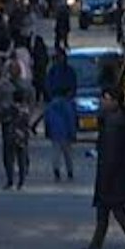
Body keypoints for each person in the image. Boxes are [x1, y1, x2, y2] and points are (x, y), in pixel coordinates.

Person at [80, 94, 125, 249]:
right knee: (105, 214)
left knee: (117, 213)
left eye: (106, 98)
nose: (102, 102)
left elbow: (111, 154)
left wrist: (107, 177)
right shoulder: (117, 121)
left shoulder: (114, 124)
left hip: (113, 176)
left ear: (114, 102)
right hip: (117, 175)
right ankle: (94, 248)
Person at [43, 51, 82, 187]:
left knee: (57, 149)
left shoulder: (52, 73)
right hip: (64, 121)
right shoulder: (67, 72)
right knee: (66, 149)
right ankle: (68, 170)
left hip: (56, 120)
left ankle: (57, 170)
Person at [0, 76, 39, 191]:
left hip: (9, 136)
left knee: (9, 158)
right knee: (21, 158)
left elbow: (0, 118)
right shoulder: (25, 111)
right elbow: (28, 123)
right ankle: (21, 181)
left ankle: (10, 180)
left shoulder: (8, 109)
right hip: (22, 137)